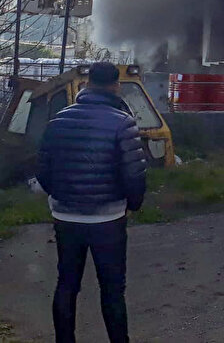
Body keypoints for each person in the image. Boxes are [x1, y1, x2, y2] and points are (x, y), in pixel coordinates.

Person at [37, 61, 147, 343]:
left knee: (67, 284)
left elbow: (43, 171)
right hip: (108, 220)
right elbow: (134, 174)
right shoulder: (123, 122)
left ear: (86, 85)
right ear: (116, 86)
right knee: (112, 289)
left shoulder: (58, 121)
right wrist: (132, 205)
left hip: (66, 218)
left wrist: (61, 197)